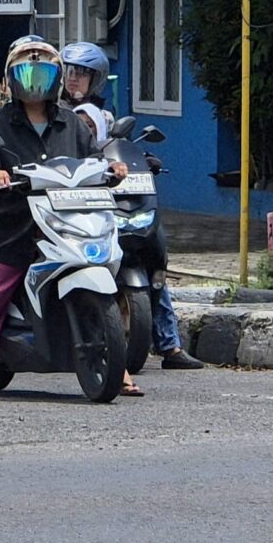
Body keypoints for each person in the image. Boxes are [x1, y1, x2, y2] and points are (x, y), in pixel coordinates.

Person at [0, 36, 133, 399]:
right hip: (9, 228)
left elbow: (92, 157)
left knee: (114, 270)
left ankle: (118, 364)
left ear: (56, 79)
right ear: (12, 79)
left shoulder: (72, 123)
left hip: (66, 222)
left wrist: (112, 167)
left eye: (44, 74)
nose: (35, 82)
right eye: (26, 73)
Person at [57, 42, 204, 373]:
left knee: (153, 261)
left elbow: (117, 149)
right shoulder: (57, 117)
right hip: (72, 204)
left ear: (97, 79)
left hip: (111, 200)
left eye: (82, 74)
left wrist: (142, 161)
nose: (74, 80)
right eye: (70, 72)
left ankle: (170, 344)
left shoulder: (107, 117)